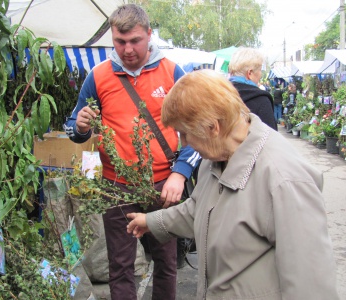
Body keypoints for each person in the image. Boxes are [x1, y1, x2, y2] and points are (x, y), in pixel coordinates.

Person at [126, 70, 340, 300]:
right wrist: (151, 221)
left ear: (212, 127)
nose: (183, 143)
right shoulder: (216, 156)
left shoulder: (283, 178)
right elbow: (199, 209)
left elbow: (311, 285)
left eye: (185, 133)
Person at [63, 4, 200, 300]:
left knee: (166, 263)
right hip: (117, 189)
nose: (127, 49)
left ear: (149, 35)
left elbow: (195, 129)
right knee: (121, 266)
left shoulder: (172, 72)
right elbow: (73, 128)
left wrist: (180, 173)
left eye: (135, 40)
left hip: (164, 187)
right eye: (119, 41)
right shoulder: (97, 77)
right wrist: (82, 125)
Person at [228, 47, 277, 130]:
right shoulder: (261, 100)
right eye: (260, 70)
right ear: (250, 73)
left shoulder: (218, 95)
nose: (261, 74)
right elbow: (271, 139)